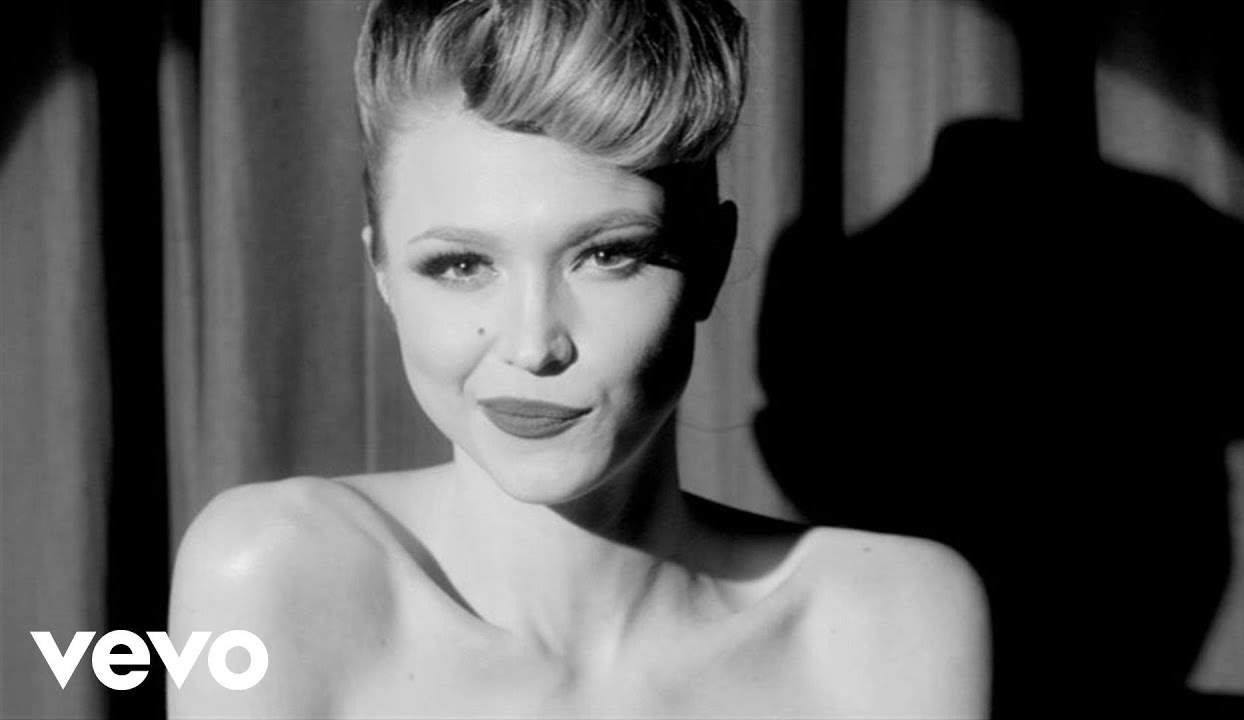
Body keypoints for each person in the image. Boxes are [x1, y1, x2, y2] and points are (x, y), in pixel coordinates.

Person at [167, 0, 990, 716]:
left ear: (709, 261)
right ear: (382, 271)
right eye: (461, 265)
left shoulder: (892, 623)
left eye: (607, 255)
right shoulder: (274, 574)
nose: (534, 345)